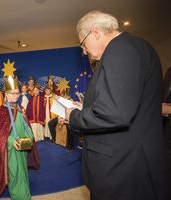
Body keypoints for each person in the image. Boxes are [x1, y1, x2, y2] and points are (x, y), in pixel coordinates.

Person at [65, 11, 171, 200]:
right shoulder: (140, 47)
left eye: (83, 44)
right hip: (134, 160)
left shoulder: (119, 50)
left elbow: (114, 113)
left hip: (122, 170)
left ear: (95, 32)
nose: (84, 51)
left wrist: (73, 115)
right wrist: (87, 107)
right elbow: (128, 102)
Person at [0, 75, 39, 200]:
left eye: (17, 93)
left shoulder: (20, 108)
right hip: (10, 150)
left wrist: (30, 138)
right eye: (12, 93)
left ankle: (24, 192)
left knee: (23, 172)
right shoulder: (1, 111)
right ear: (6, 94)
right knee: (14, 173)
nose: (16, 96)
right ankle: (19, 196)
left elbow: (26, 126)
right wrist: (11, 141)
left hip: (23, 147)